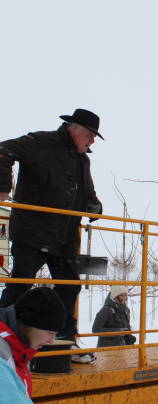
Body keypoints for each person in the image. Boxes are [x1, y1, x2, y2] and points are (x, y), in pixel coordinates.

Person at [0, 109, 103, 341]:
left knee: (69, 286)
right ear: (73, 128)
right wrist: (3, 186)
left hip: (65, 239)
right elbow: (3, 149)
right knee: (20, 285)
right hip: (33, 234)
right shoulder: (40, 143)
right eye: (89, 134)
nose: (92, 140)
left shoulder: (83, 161)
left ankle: (63, 340)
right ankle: (4, 337)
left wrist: (95, 207)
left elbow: (88, 194)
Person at [0, 286, 65, 404]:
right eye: (50, 333)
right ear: (30, 323)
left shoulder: (17, 348)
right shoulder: (4, 358)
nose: (52, 341)